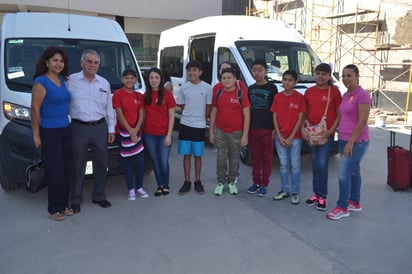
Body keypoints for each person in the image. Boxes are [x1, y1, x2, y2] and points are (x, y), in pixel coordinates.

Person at [67, 49, 116, 212]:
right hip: (78, 127)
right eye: (89, 61)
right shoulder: (71, 80)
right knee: (77, 165)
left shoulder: (104, 83)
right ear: (82, 63)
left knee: (101, 164)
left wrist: (111, 129)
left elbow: (109, 108)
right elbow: (64, 104)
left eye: (96, 62)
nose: (92, 65)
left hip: (100, 127)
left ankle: (99, 195)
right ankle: (75, 199)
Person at [31, 46, 72, 221]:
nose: (58, 63)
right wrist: (36, 134)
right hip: (49, 131)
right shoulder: (41, 82)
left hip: (65, 129)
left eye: (61, 61)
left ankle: (64, 204)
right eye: (55, 60)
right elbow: (35, 110)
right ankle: (55, 209)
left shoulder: (62, 80)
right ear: (46, 62)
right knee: (55, 171)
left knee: (66, 169)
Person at [327, 64, 371, 220]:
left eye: (349, 76)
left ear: (357, 76)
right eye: (343, 76)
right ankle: (355, 202)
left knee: (343, 175)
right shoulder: (346, 95)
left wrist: (351, 142)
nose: (345, 79)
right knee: (354, 171)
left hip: (356, 141)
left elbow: (362, 120)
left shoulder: (362, 95)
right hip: (344, 138)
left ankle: (342, 207)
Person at [302, 63, 342, 211]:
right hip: (312, 134)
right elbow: (304, 113)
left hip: (326, 135)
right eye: (318, 73)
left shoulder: (335, 91)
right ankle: (316, 193)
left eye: (324, 74)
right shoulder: (309, 92)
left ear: (329, 76)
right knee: (315, 164)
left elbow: (339, 114)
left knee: (322, 164)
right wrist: (303, 129)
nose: (320, 76)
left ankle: (322, 196)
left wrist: (332, 130)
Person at [209, 67, 250, 195]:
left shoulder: (241, 94)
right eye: (224, 78)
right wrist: (211, 131)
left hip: (236, 132)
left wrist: (245, 136)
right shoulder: (218, 93)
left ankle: (232, 182)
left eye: (229, 78)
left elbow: (247, 115)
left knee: (233, 158)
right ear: (221, 80)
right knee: (221, 158)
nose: (226, 80)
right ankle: (220, 182)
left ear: (234, 79)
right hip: (220, 131)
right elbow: (214, 112)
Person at [176, 60, 212, 195]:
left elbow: (208, 107)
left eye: (195, 70)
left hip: (199, 126)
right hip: (185, 124)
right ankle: (187, 181)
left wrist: (202, 119)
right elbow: (182, 106)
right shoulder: (184, 88)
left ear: (200, 72)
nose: (192, 73)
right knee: (186, 155)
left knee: (198, 155)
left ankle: (197, 181)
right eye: (189, 70)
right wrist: (190, 116)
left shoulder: (207, 88)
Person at [112, 69, 148, 201]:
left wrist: (136, 130)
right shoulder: (118, 94)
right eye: (126, 78)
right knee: (126, 163)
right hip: (123, 133)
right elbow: (119, 114)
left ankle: (139, 187)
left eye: (132, 78)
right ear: (122, 80)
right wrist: (130, 130)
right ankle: (131, 189)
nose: (129, 80)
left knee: (140, 162)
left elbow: (141, 114)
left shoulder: (139, 96)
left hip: (137, 132)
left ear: (136, 80)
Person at [271, 70, 305, 204]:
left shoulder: (299, 98)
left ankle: (295, 192)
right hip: (280, 137)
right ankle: (284, 190)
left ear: (295, 82)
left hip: (295, 137)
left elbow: (300, 118)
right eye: (284, 79)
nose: (286, 82)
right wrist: (278, 135)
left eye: (290, 80)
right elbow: (274, 116)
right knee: (283, 165)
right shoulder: (278, 97)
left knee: (295, 165)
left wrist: (291, 137)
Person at [246, 59, 278, 197]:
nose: (257, 72)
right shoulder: (251, 88)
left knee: (267, 158)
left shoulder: (272, 88)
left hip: (268, 129)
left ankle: (264, 183)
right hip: (253, 127)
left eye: (260, 70)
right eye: (254, 70)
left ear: (265, 71)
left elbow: (275, 110)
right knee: (255, 157)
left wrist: (275, 128)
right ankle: (256, 182)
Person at [143, 67, 176, 197]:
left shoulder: (167, 95)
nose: (154, 80)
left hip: (164, 134)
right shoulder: (145, 96)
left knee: (163, 161)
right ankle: (159, 185)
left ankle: (166, 184)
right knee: (155, 160)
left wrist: (169, 135)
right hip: (149, 134)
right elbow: (143, 115)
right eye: (151, 77)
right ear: (148, 80)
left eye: (156, 77)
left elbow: (172, 116)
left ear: (161, 79)